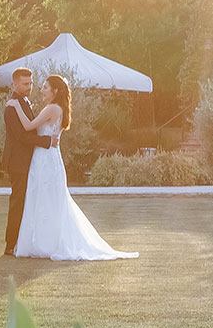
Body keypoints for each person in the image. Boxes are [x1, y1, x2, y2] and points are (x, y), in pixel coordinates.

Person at [12, 74, 138, 261]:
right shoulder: (57, 108)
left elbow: (29, 126)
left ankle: (47, 244)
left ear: (54, 91)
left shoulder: (52, 108)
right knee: (46, 199)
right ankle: (42, 241)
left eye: (45, 87)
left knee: (46, 198)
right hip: (47, 157)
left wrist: (15, 106)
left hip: (45, 159)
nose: (41, 89)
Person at [2, 67, 54, 257]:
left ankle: (21, 242)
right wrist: (46, 141)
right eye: (25, 83)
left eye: (31, 83)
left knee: (26, 201)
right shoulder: (11, 106)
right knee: (18, 201)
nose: (29, 87)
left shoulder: (23, 102)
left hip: (27, 161)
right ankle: (10, 244)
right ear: (15, 83)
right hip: (17, 162)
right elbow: (21, 136)